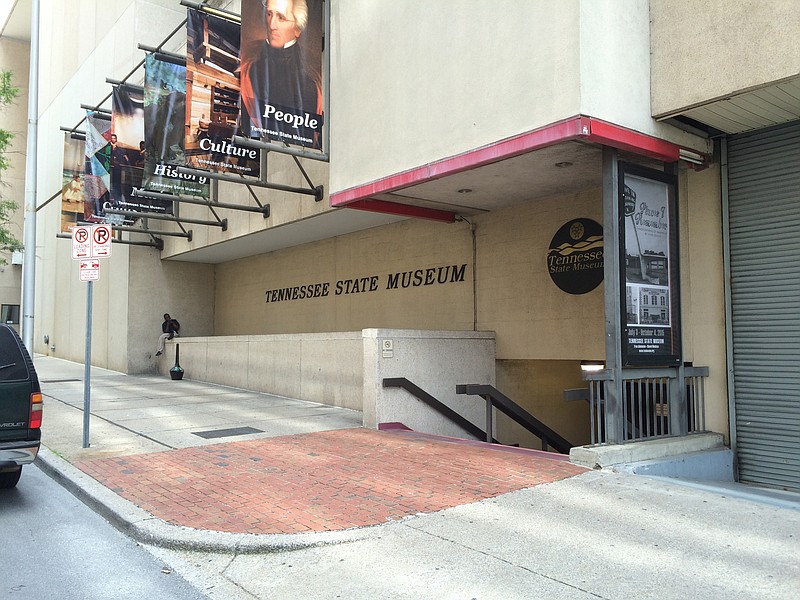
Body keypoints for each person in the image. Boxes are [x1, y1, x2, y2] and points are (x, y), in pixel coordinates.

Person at [239, 0, 322, 146]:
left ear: (297, 29)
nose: (271, 25)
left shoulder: (311, 81)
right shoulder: (249, 66)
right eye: (269, 14)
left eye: (281, 18)